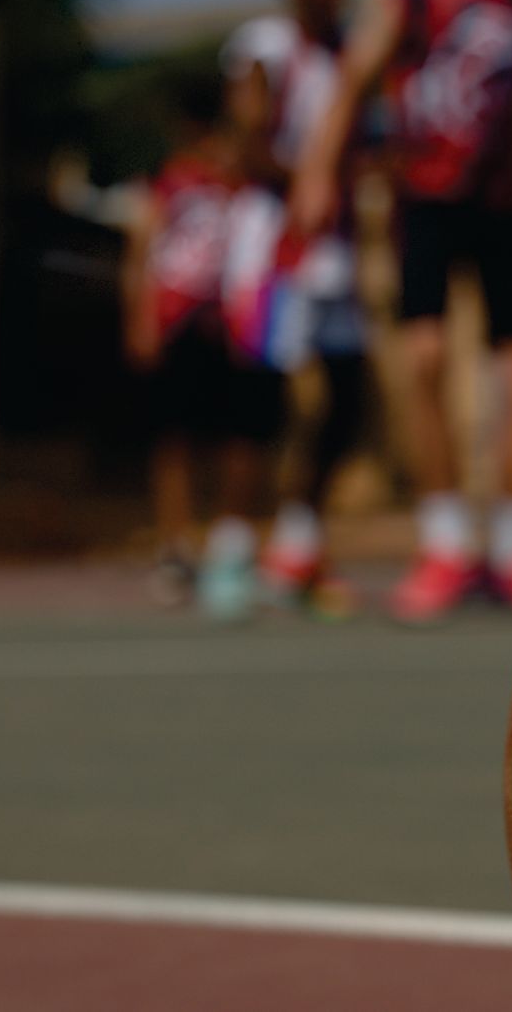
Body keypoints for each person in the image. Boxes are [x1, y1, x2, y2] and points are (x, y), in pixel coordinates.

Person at [290, 0, 512, 623]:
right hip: (427, 200)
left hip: (505, 204)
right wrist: (316, 173)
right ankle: (444, 542)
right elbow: (350, 85)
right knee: (426, 361)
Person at [220, 0, 367, 610]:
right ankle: (228, 550)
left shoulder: (355, 55)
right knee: (260, 396)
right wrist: (306, 178)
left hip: (334, 243)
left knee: (349, 393)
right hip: (274, 239)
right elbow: (247, 144)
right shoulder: (265, 47)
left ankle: (298, 545)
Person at [121, 69, 285, 621]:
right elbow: (142, 248)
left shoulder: (236, 176)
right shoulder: (166, 180)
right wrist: (141, 319)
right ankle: (174, 547)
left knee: (234, 437)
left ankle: (225, 545)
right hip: (176, 318)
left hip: (228, 322)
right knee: (174, 438)